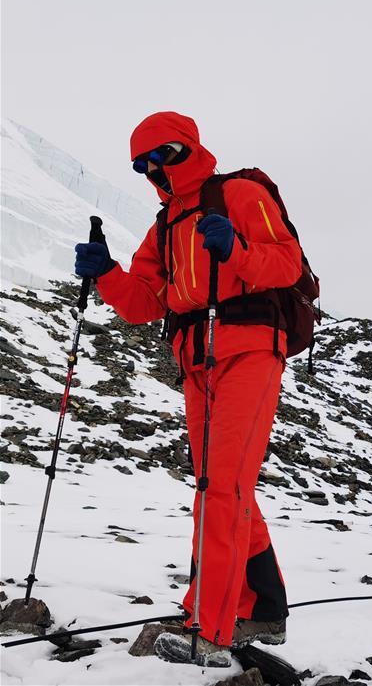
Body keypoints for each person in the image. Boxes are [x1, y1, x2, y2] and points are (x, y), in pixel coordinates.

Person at [74, 111, 300, 666]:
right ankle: (264, 607)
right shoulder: (165, 224)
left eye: (163, 154)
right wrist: (105, 273)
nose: (154, 168)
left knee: (221, 488)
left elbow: (287, 264)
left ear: (189, 148)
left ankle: (212, 629)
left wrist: (235, 252)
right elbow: (142, 302)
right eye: (141, 163)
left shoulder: (240, 195)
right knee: (215, 486)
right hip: (196, 359)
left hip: (248, 348)